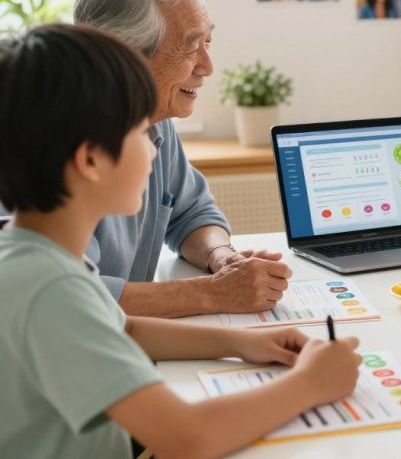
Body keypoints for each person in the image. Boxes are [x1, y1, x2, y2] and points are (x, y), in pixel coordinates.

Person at [0, 24, 363, 458]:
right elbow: (188, 438)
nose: (155, 149)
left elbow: (123, 328)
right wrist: (310, 384)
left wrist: (241, 342)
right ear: (91, 159)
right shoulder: (50, 288)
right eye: (140, 132)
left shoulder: (35, 255)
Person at [70, 0, 292, 317]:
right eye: (191, 46)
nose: (207, 66)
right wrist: (214, 294)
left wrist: (222, 257)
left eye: (209, 41)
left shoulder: (155, 121)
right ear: (126, 53)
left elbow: (192, 211)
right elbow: (73, 300)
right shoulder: (53, 143)